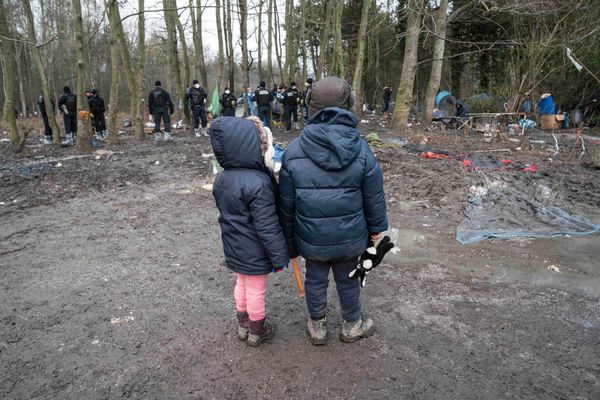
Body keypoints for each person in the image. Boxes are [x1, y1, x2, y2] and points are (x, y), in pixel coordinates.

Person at [279, 77, 388, 345]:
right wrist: (376, 229)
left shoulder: (293, 152)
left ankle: (317, 326)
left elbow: (286, 204)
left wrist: (290, 242)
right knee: (349, 280)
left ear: (310, 108)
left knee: (315, 280)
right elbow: (373, 195)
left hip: (311, 238)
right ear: (348, 105)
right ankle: (352, 325)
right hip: (350, 239)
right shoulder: (362, 150)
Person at [211, 116, 290, 347]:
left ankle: (242, 323)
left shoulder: (222, 178)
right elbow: (267, 225)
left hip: (234, 245)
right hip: (255, 249)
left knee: (242, 282)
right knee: (256, 288)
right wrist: (279, 255)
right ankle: (258, 329)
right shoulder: (259, 182)